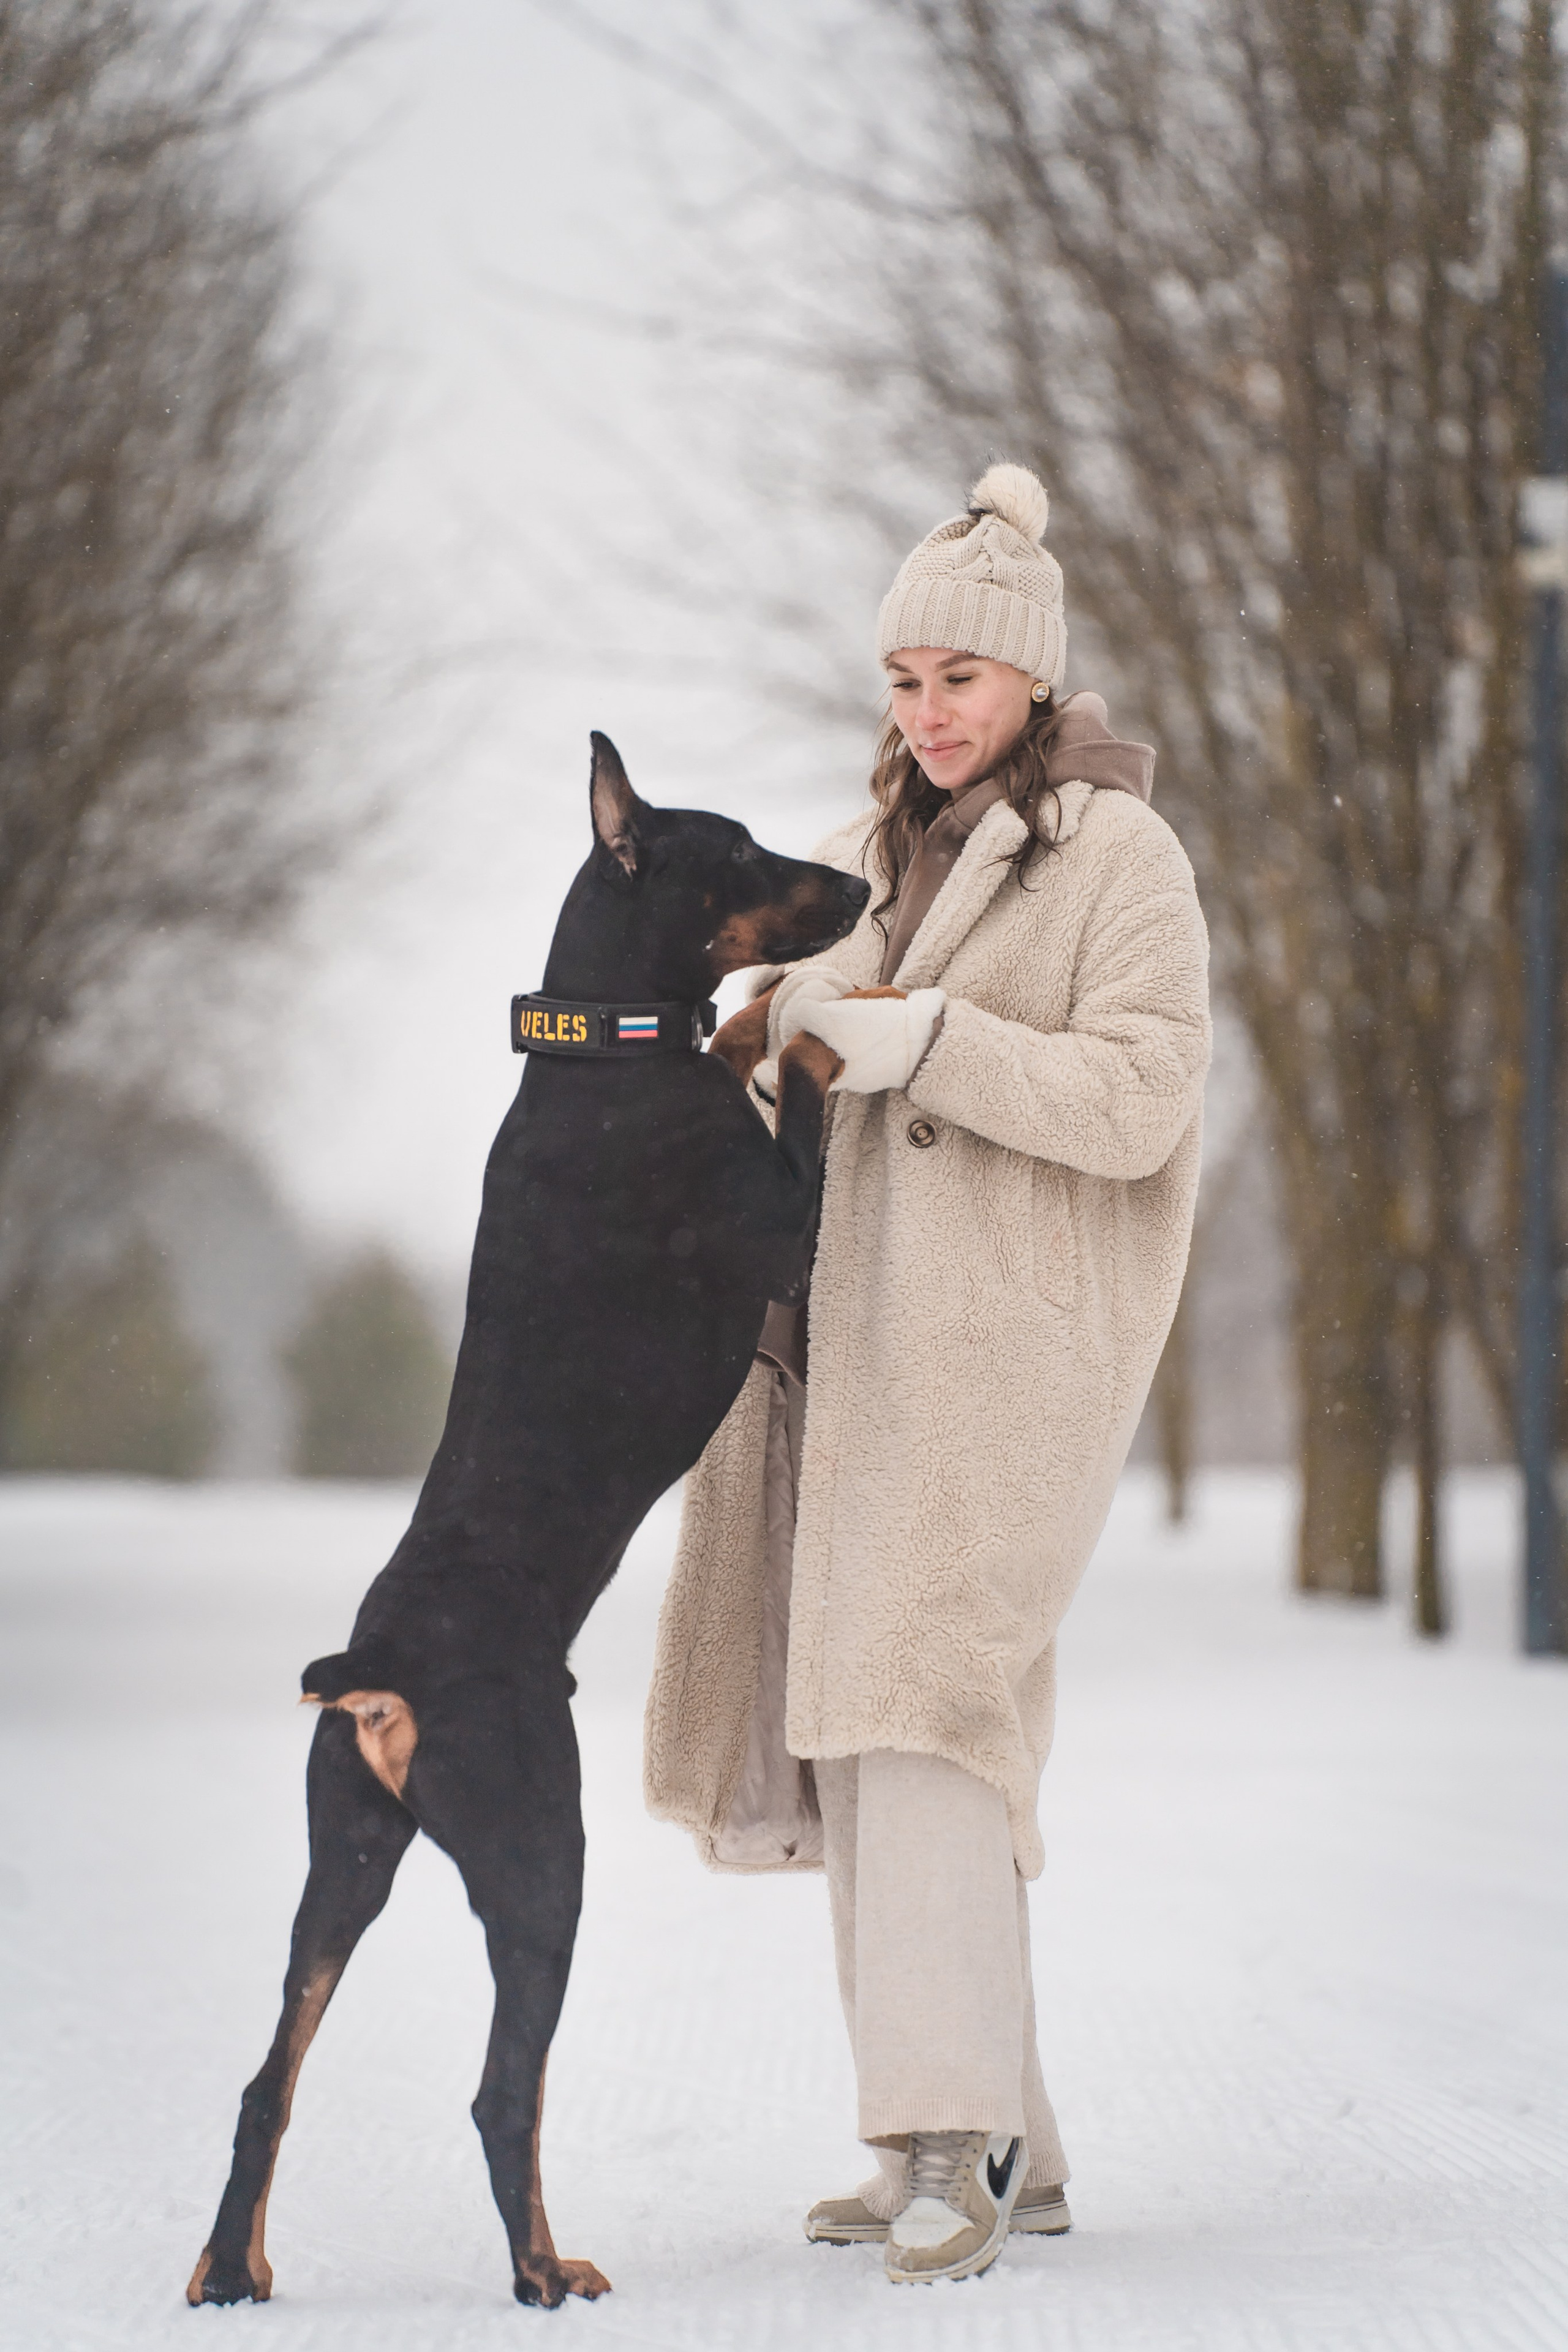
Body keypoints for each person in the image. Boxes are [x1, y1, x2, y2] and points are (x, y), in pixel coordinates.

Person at [644, 463, 1211, 2286]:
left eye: (956, 677)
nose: (925, 712)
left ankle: (947, 2140)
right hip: (859, 1350)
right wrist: (765, 1044)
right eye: (902, 680)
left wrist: (929, 1040)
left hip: (1007, 1358)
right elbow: (828, 1049)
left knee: (933, 1715)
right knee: (868, 1727)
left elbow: (1139, 1104)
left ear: (1030, 678)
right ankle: (978, 2142)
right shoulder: (891, 848)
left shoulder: (1121, 856)